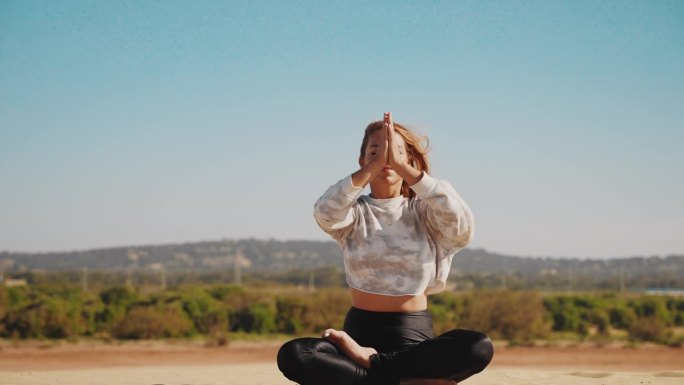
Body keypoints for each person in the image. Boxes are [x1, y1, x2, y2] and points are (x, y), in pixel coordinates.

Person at [277, 113, 493, 385]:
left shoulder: (425, 213)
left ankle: (374, 365)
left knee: (478, 346)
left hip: (412, 339)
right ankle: (407, 382)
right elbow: (324, 212)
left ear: (410, 162)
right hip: (357, 334)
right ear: (363, 161)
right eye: (376, 151)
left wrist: (405, 169)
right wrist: (373, 167)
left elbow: (460, 223)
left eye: (397, 152)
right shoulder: (354, 214)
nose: (387, 158)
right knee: (295, 354)